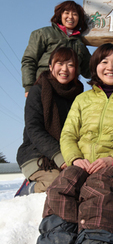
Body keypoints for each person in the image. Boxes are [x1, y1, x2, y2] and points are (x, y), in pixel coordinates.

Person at [36, 43, 113, 244]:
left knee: (99, 187)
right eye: (104, 62)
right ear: (95, 67)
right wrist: (74, 159)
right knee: (61, 187)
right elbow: (68, 134)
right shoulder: (82, 100)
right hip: (83, 162)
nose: (110, 67)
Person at [15, 47, 83, 196]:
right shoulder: (38, 91)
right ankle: (29, 188)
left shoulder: (78, 95)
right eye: (60, 63)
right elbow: (34, 129)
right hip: (37, 154)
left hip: (67, 152)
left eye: (70, 65)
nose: (65, 69)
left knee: (79, 181)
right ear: (51, 67)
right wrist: (59, 156)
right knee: (57, 182)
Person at [21, 0, 91, 97]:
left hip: (69, 92)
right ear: (59, 15)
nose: (70, 17)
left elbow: (89, 70)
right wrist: (29, 87)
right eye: (66, 13)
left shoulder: (81, 43)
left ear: (79, 19)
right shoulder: (43, 34)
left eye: (75, 14)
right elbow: (29, 60)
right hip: (44, 87)